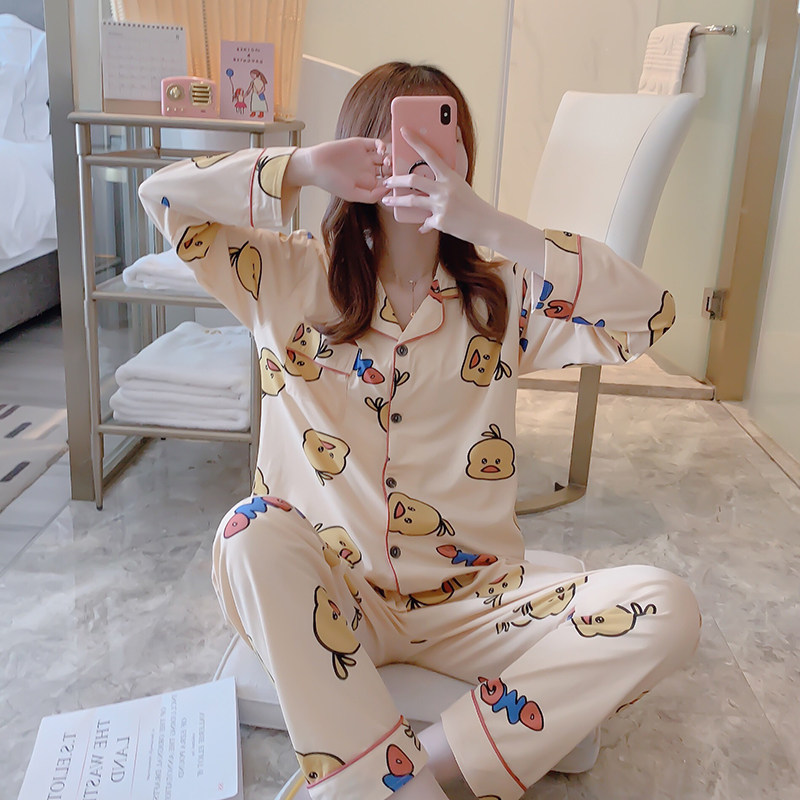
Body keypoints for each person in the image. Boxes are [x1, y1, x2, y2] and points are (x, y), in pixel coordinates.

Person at [139, 62, 700, 800]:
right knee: (248, 533)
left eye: (443, 135)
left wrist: (491, 225)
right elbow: (163, 198)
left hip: (478, 602)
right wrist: (301, 167)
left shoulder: (502, 296)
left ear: (466, 157)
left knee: (667, 605)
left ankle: (409, 776)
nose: (417, 156)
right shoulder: (286, 277)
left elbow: (650, 317)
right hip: (336, 593)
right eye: (389, 140)